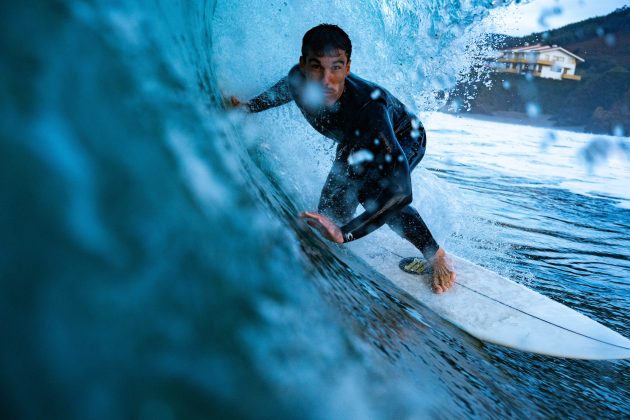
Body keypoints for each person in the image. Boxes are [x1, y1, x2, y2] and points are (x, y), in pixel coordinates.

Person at [229, 24, 456, 293]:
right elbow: (282, 91)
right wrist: (248, 107)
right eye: (316, 67)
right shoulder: (296, 80)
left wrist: (346, 234)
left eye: (336, 68)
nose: (326, 80)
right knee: (331, 212)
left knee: (374, 190)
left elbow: (401, 191)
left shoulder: (369, 111)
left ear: (347, 67)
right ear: (302, 65)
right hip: (356, 139)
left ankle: (436, 254)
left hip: (404, 135)